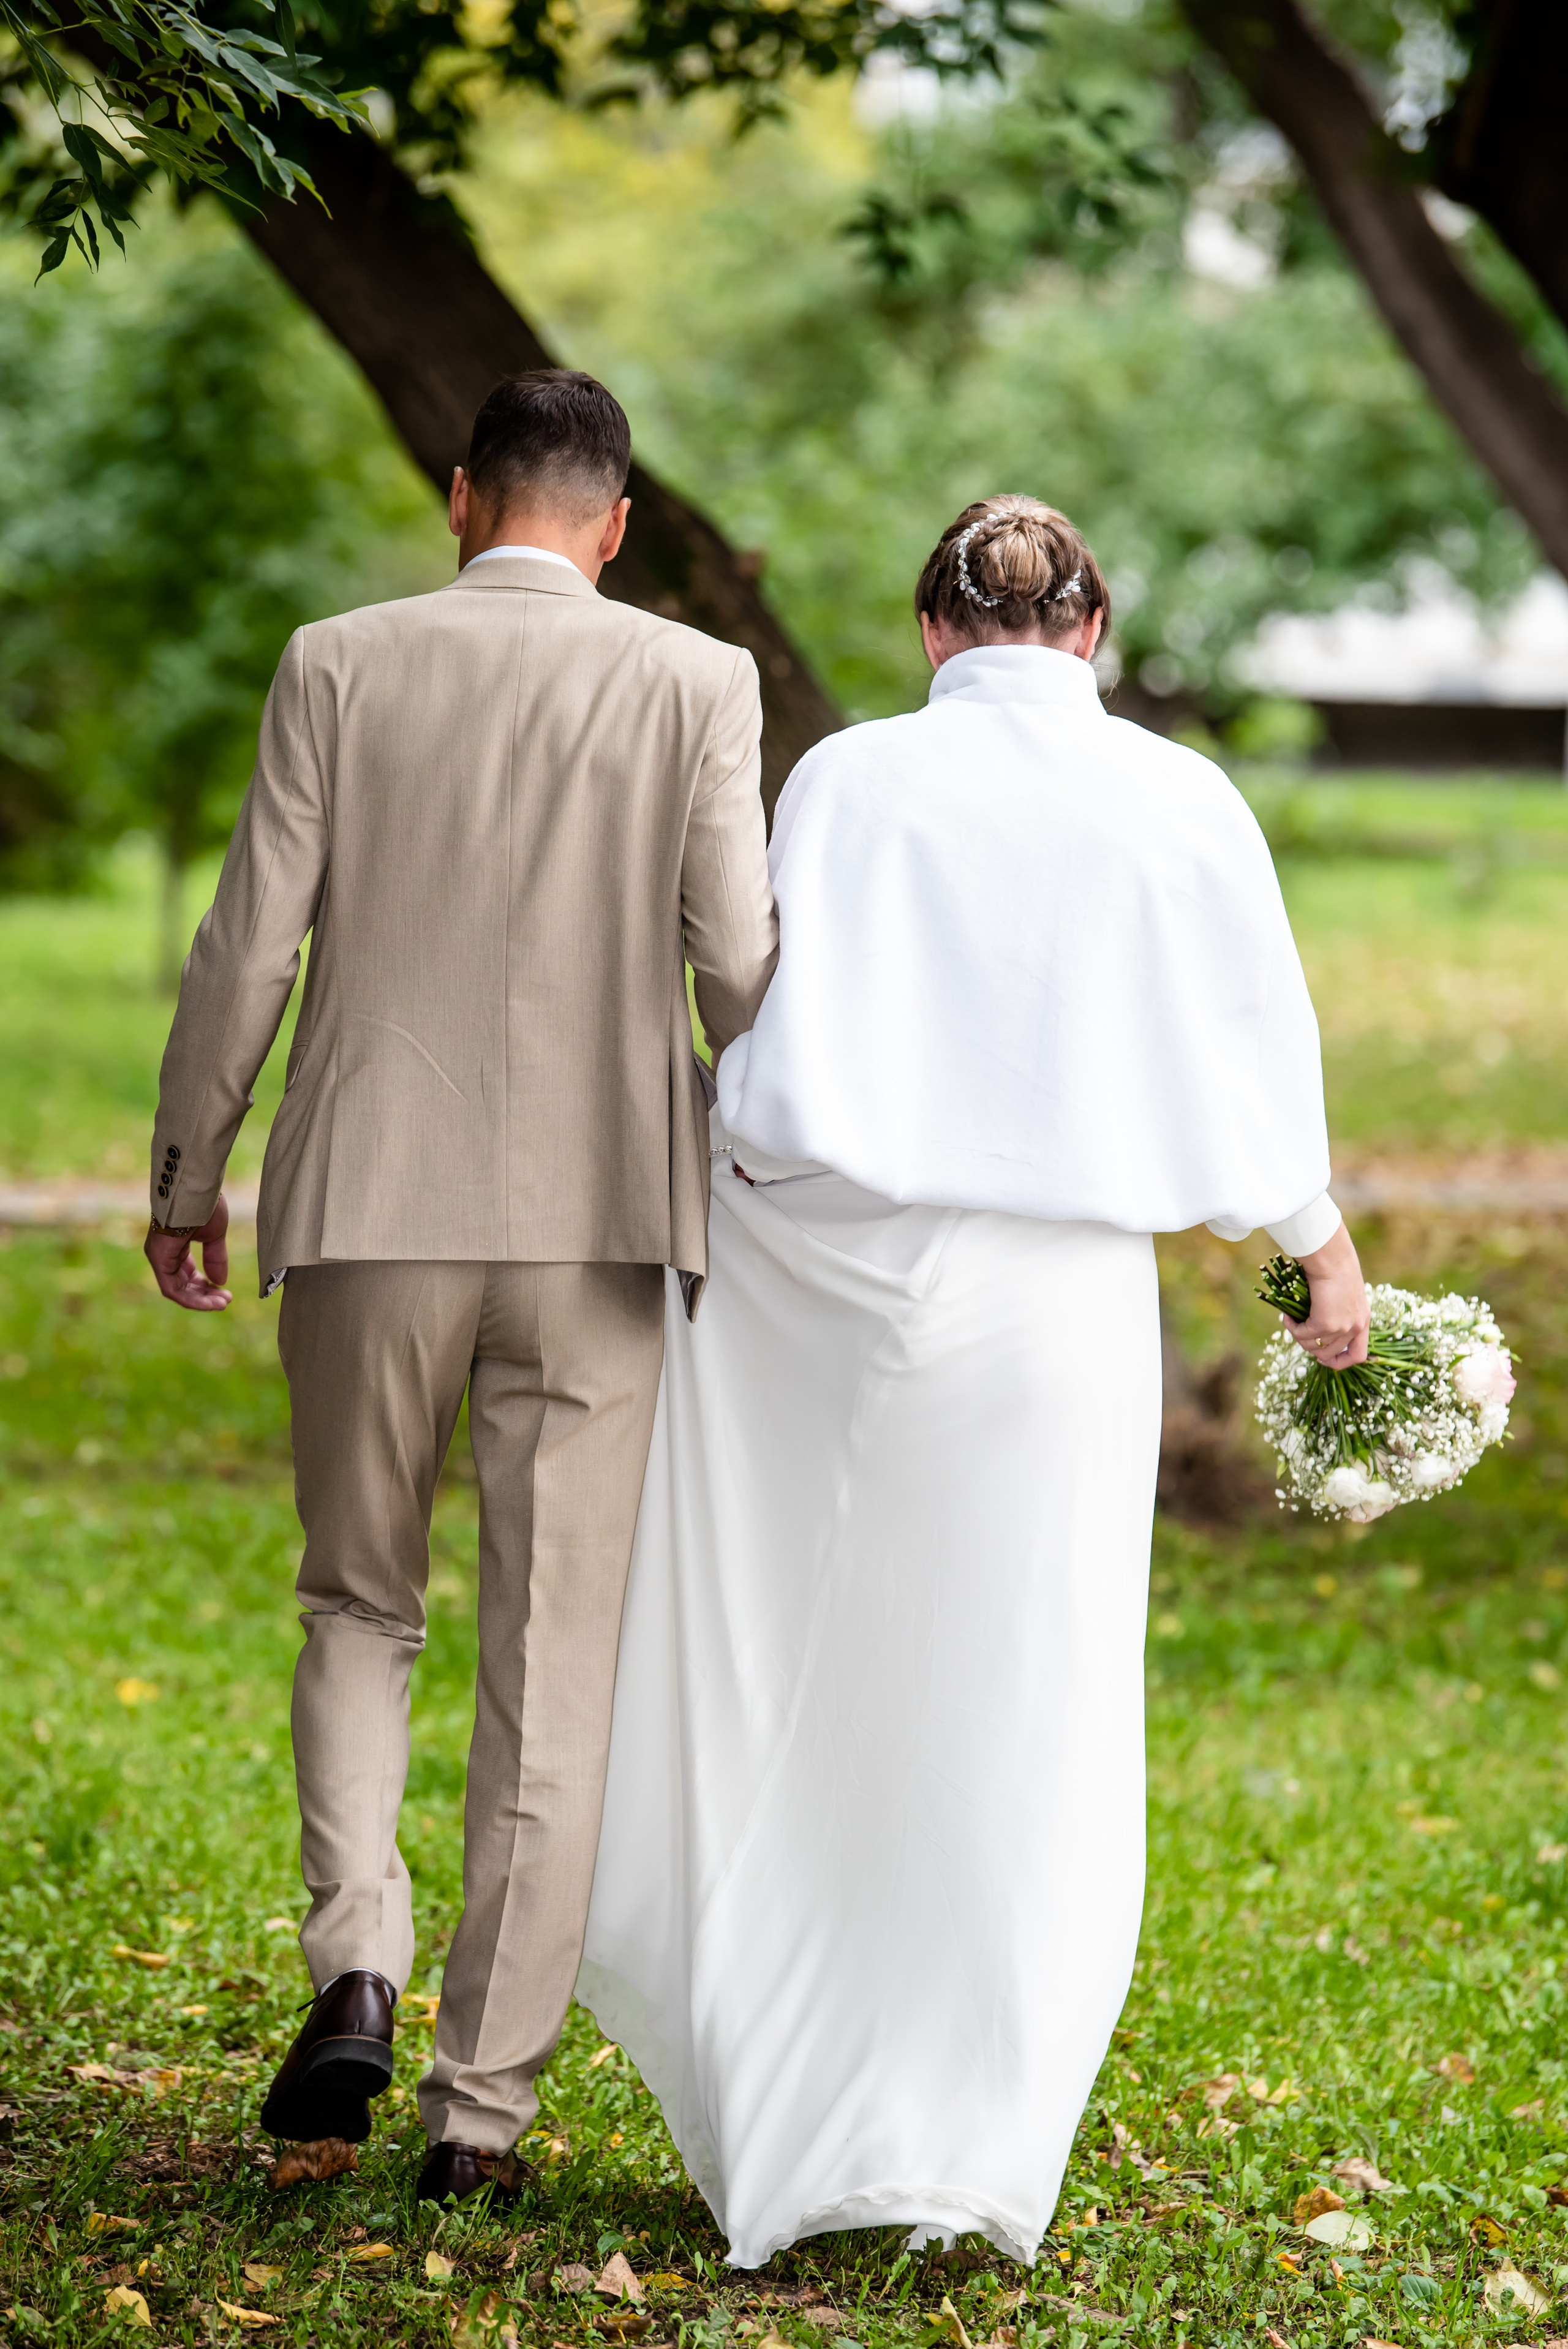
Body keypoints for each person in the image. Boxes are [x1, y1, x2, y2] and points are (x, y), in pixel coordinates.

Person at [577, 495, 1368, 2268]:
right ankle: (981, 2140)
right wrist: (1318, 1242)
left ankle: (794, 2103)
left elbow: (772, 1035)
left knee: (814, 1679)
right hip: (1061, 1320)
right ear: (1092, 631)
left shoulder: (850, 780)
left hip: (833, 1294)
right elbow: (1252, 1042)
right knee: (1030, 1708)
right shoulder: (1184, 802)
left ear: (934, 631)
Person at [143, 370, 777, 2204]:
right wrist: (799, 1169)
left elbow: (249, 932)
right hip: (599, 1227)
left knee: (358, 1601)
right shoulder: (696, 682)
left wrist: (194, 1166)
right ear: (617, 526)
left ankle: (356, 1951)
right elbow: (738, 963)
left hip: (365, 1207)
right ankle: (475, 2112)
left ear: (457, 497)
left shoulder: (336, 661)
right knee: (550, 1668)